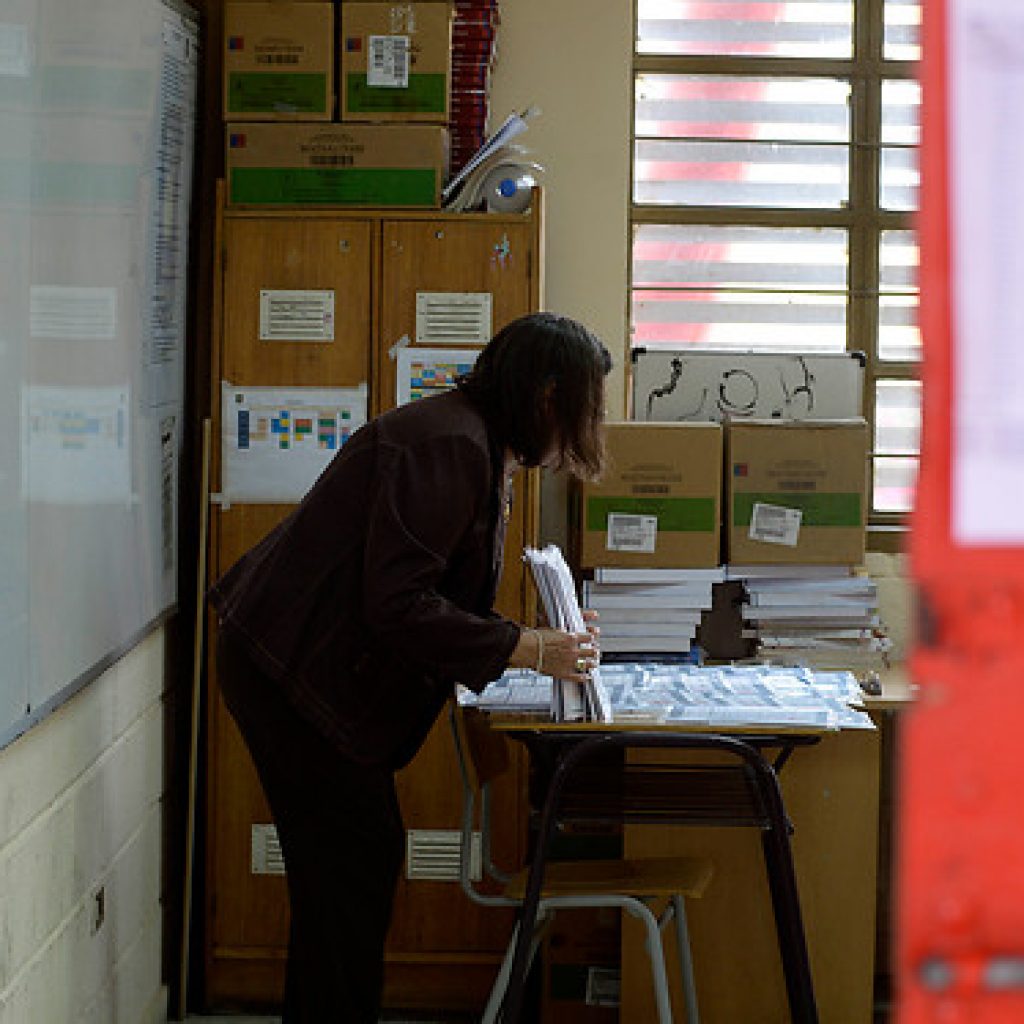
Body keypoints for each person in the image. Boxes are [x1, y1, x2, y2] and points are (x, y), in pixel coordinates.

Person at [209, 311, 612, 1022]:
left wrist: (537, 640)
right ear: (549, 396)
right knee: (348, 871)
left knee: (349, 872)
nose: (587, 425)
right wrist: (525, 648)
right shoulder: (448, 445)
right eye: (586, 405)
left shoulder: (472, 441)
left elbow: (431, 592)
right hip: (290, 675)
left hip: (304, 669)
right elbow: (397, 603)